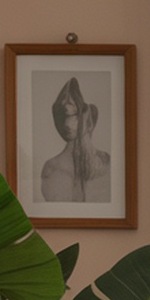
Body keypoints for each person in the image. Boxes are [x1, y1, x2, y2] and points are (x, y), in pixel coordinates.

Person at [40, 77, 111, 205]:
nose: (67, 123)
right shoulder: (52, 168)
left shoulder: (107, 162)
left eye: (75, 115)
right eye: (64, 116)